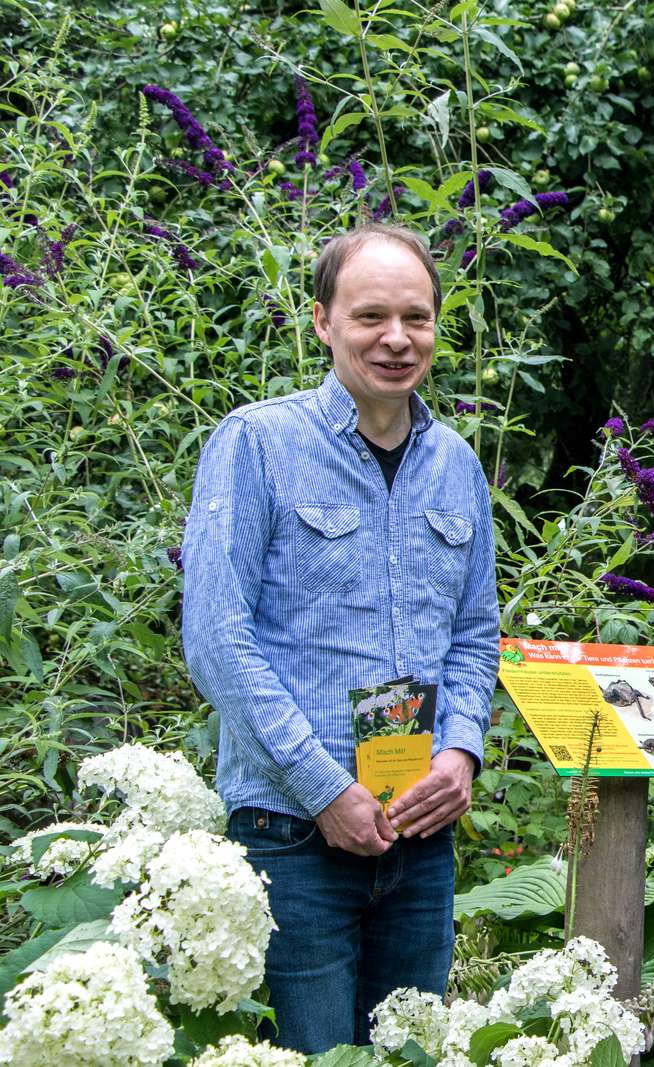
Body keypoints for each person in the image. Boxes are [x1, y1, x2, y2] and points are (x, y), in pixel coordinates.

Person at [181, 223, 499, 1053]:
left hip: (418, 836)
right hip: (292, 839)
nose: (397, 339)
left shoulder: (457, 464)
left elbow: (472, 634)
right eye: (370, 317)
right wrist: (325, 789)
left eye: (417, 318)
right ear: (322, 321)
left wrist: (460, 752)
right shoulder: (257, 444)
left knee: (410, 1053)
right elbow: (217, 637)